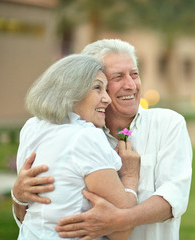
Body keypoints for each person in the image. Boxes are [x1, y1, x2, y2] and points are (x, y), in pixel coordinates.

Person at [12, 39, 193, 240]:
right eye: (117, 77)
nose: (131, 85)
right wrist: (17, 196)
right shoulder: (78, 134)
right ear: (83, 83)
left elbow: (174, 196)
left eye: (134, 74)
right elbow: (37, 216)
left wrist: (122, 220)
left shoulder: (168, 123)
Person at [13, 54, 140, 240]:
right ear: (70, 91)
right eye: (97, 88)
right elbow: (122, 230)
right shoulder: (85, 136)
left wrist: (17, 198)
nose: (107, 99)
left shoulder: (32, 127)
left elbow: (30, 214)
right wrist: (130, 178)